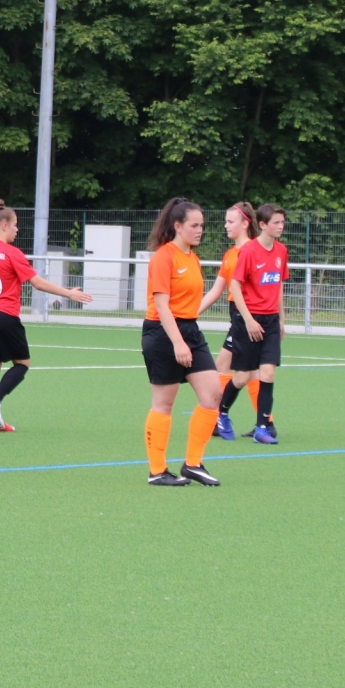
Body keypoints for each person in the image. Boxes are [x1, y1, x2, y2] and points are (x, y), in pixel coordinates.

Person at [0, 200, 92, 432]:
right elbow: (37, 283)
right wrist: (68, 293)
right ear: (4, 225)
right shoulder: (12, 252)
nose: (17, 230)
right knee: (22, 364)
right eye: (15, 225)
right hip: (4, 314)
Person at [140, 197, 224, 486]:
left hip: (190, 330)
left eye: (202, 225)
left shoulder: (192, 257)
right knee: (164, 402)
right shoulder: (164, 257)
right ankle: (157, 471)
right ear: (177, 226)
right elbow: (161, 306)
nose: (200, 230)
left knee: (212, 395)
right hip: (162, 333)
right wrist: (178, 342)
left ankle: (193, 464)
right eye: (194, 225)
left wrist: (187, 336)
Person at [220, 203, 289, 445]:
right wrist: (248, 320)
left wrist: (281, 319)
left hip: (270, 321)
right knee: (242, 377)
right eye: (276, 222)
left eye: (282, 222)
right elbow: (235, 285)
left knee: (268, 373)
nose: (280, 226)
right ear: (262, 224)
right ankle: (221, 412)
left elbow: (278, 285)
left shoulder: (281, 251)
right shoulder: (248, 251)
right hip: (248, 320)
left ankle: (262, 428)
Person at [204, 202, 255, 440]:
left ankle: (219, 417)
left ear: (245, 224)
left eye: (230, 221)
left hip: (247, 316)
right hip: (236, 314)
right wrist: (190, 313)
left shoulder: (254, 252)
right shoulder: (230, 255)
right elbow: (216, 290)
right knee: (249, 371)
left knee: (225, 365)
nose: (226, 225)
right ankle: (265, 422)